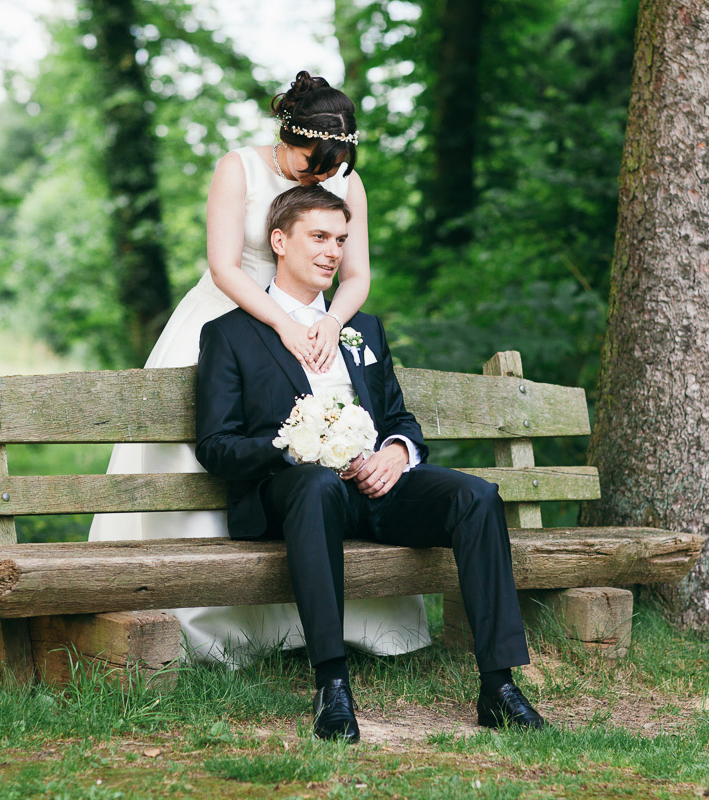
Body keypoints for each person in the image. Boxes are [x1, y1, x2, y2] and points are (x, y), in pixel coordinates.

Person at [89, 72, 428, 665]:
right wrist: (282, 324)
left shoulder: (346, 179)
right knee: (217, 462)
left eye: (331, 167)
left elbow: (357, 276)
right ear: (286, 135)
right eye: (307, 163)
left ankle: (312, 626)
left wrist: (327, 322)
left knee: (309, 466)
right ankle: (206, 625)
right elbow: (225, 266)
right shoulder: (239, 169)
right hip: (227, 324)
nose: (317, 177)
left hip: (311, 324)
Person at [195, 185, 547, 741]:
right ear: (279, 241)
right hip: (293, 496)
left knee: (476, 496)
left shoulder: (364, 331)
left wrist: (395, 453)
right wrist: (291, 446)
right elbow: (216, 446)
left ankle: (498, 686)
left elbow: (400, 419)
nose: (333, 251)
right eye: (319, 237)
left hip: (374, 491)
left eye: (340, 240)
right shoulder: (230, 336)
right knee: (314, 486)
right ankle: (332, 685)